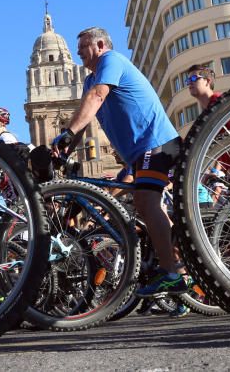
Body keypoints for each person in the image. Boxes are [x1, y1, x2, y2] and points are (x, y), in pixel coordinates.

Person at [51, 27, 186, 299]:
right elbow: (85, 118)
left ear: (100, 44)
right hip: (139, 153)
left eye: (83, 46)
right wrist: (63, 152)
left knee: (146, 201)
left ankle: (172, 273)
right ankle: (179, 262)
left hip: (156, 142)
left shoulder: (111, 61)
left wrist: (66, 134)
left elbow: (98, 97)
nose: (78, 52)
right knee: (144, 204)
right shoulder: (91, 81)